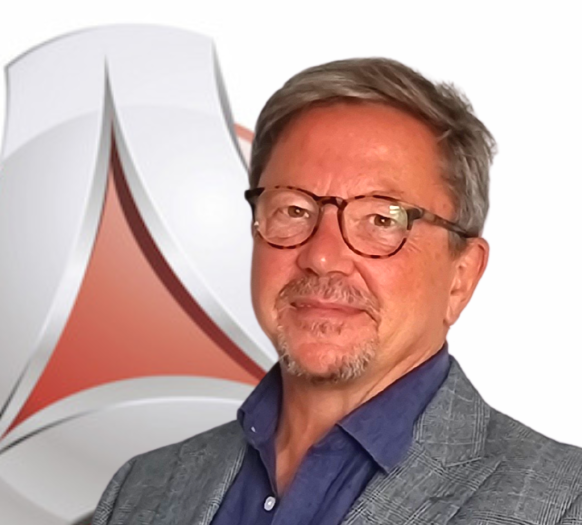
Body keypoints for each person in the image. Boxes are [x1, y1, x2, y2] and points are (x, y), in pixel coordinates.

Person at [93, 58, 582, 525]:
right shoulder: (141, 489)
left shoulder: (564, 504)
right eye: (293, 210)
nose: (322, 256)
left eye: (381, 219)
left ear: (461, 276)